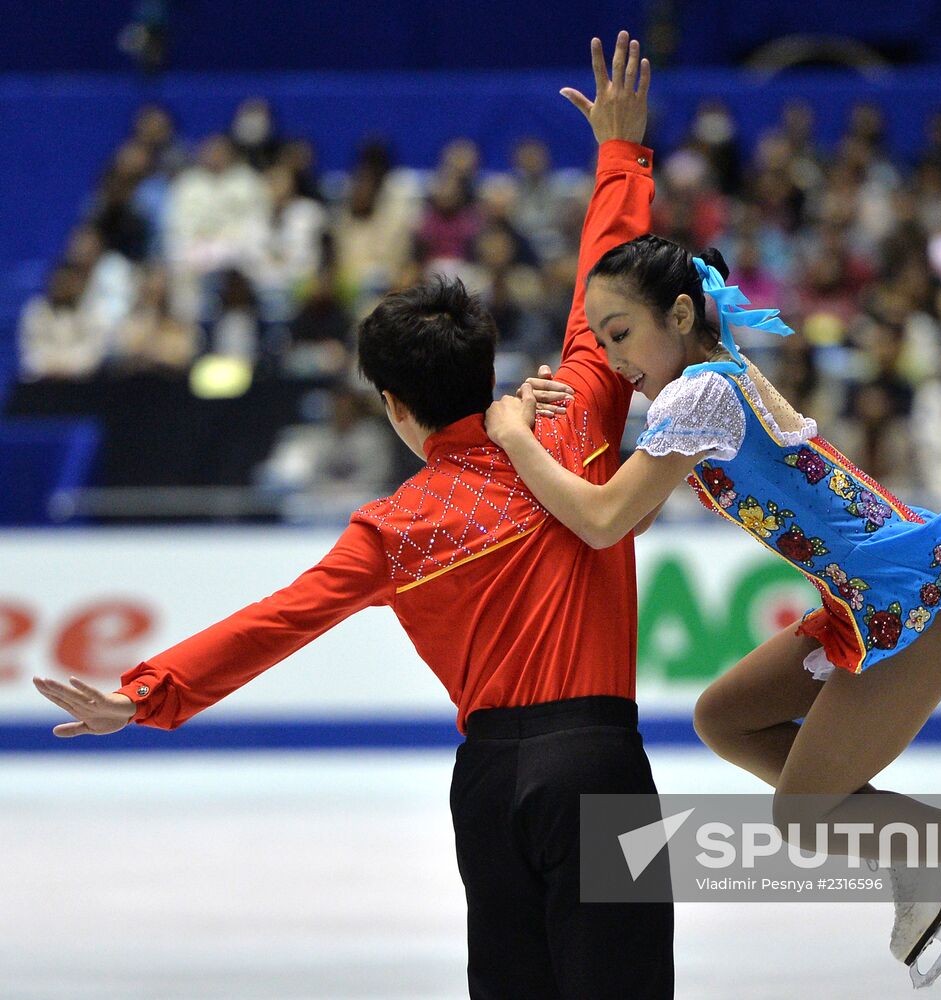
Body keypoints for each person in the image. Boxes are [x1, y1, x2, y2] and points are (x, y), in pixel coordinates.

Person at [32, 33, 673, 1000]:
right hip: (599, 761)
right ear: (484, 370)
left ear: (397, 409)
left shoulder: (394, 527)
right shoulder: (574, 409)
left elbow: (276, 621)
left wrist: (147, 692)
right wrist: (621, 154)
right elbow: (605, 282)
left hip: (489, 787)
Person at [485, 237, 941, 982]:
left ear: (682, 312)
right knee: (725, 716)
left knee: (801, 816)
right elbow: (623, 516)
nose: (612, 357)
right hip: (867, 600)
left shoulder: (700, 396)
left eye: (622, 333)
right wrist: (544, 432)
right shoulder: (708, 382)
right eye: (601, 341)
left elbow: (603, 520)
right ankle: (918, 861)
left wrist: (509, 434)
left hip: (910, 606)